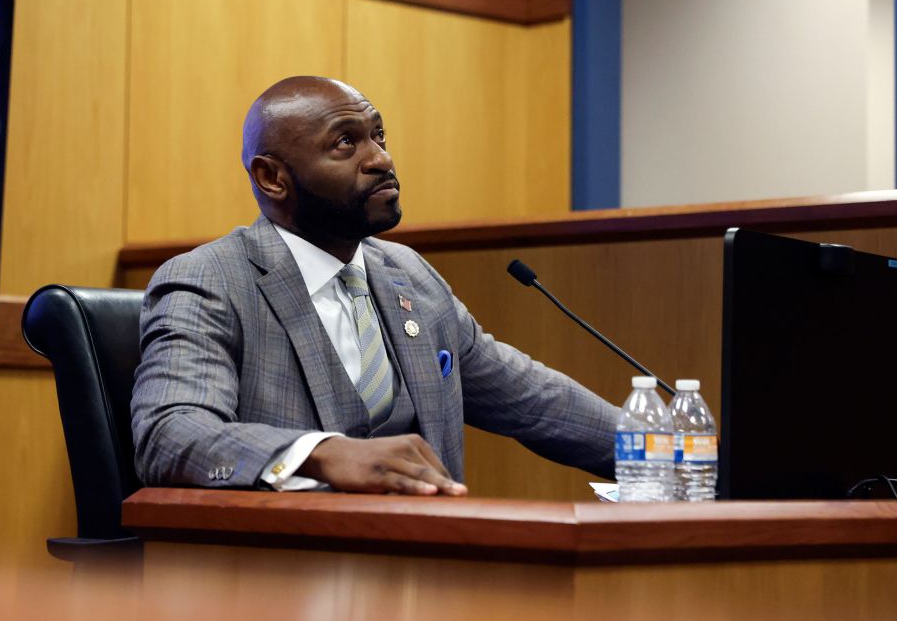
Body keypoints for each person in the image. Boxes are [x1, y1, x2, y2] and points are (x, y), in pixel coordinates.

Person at [131, 76, 620, 495]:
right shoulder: (210, 280)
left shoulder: (408, 275)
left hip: (426, 573)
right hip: (276, 578)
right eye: (346, 143)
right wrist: (321, 454)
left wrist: (674, 452)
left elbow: (536, 401)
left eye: (379, 136)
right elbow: (170, 435)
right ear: (272, 177)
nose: (381, 159)